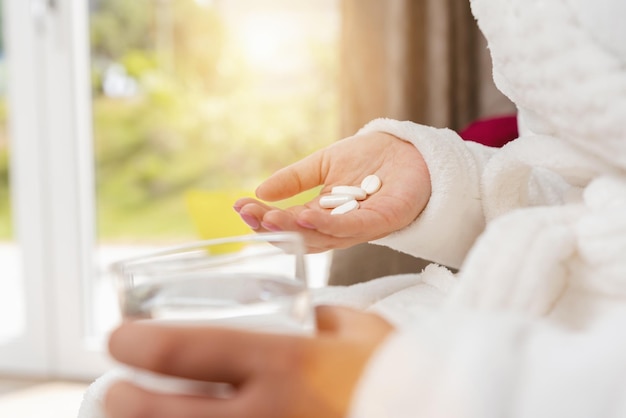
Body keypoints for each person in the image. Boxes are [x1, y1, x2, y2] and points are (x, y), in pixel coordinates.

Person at [80, 0, 626, 416]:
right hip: (532, 298)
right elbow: (592, 180)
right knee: (118, 397)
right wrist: (442, 180)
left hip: (539, 379)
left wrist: (399, 390)